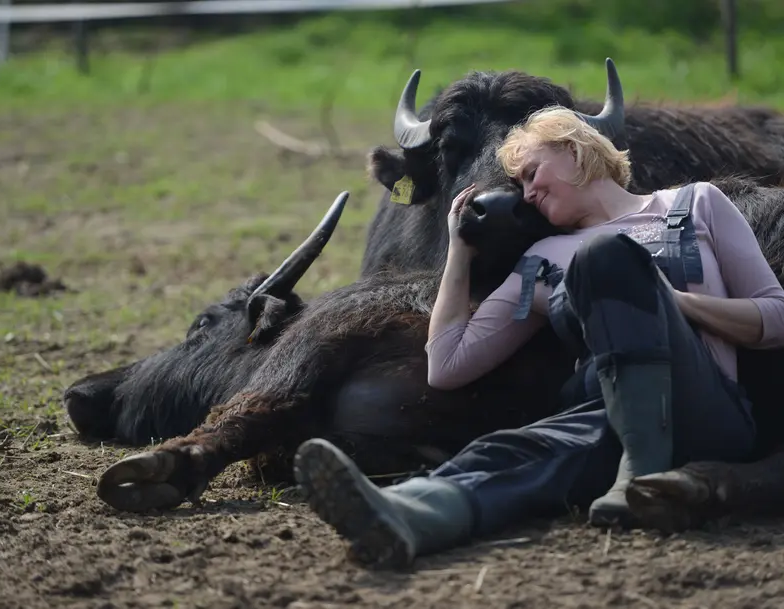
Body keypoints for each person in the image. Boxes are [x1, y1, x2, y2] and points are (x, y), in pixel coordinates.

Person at [291, 106, 784, 570]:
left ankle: (642, 464)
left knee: (605, 256)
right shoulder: (544, 258)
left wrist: (670, 301)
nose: (525, 195)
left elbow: (775, 315)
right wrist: (459, 255)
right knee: (504, 453)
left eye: (531, 173)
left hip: (707, 413)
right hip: (604, 420)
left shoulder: (697, 203)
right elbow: (448, 365)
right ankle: (403, 516)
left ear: (574, 150)